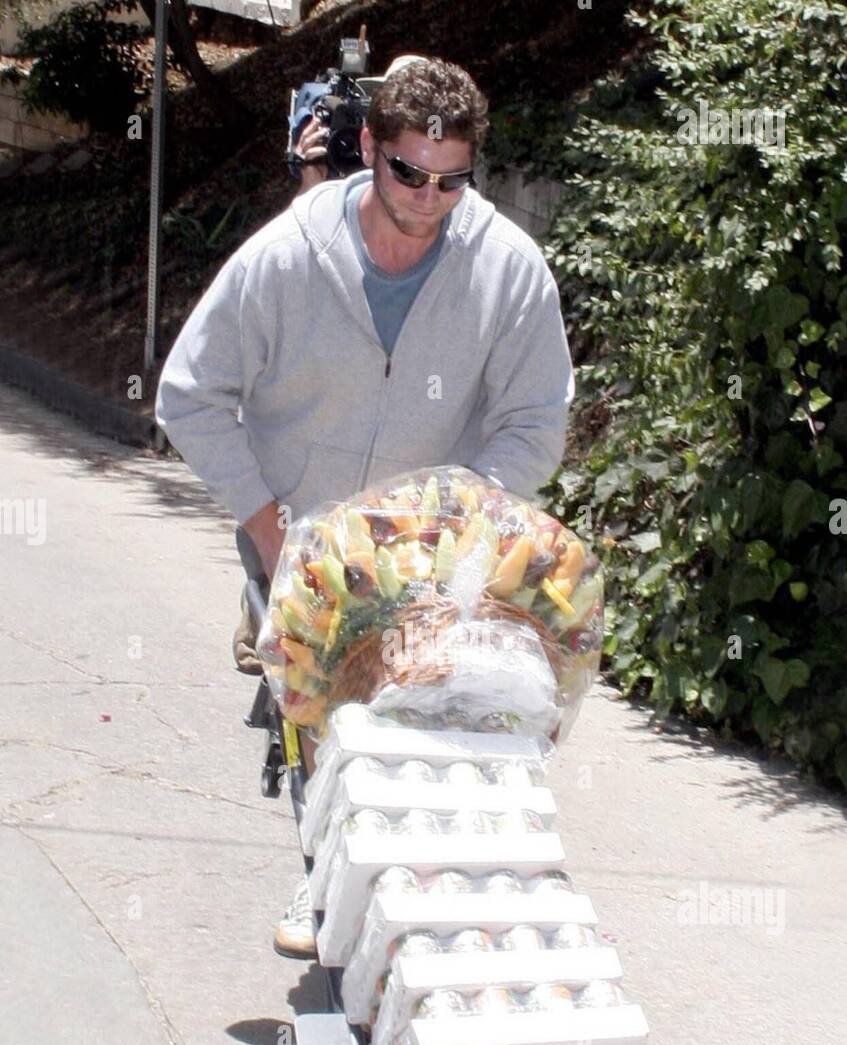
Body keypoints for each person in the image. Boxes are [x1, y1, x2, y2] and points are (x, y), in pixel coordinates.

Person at [155, 56, 575, 957]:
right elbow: (188, 393)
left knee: (429, 717)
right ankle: (328, 887)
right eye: (407, 173)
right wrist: (268, 526)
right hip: (297, 534)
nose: (428, 198)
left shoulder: (506, 269)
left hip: (434, 557)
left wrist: (464, 524)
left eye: (451, 180)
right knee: (322, 721)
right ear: (368, 150)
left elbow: (536, 422)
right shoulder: (283, 260)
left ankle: (431, 899)